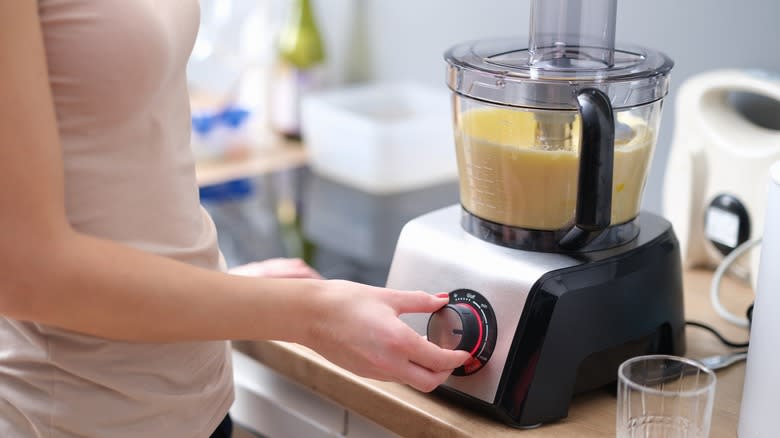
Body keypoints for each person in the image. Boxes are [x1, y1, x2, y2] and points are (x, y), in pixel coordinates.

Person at [0, 2, 469, 437]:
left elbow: (118, 144)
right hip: (71, 417)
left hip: (199, 401)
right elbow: (27, 273)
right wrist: (312, 312)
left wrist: (212, 284)